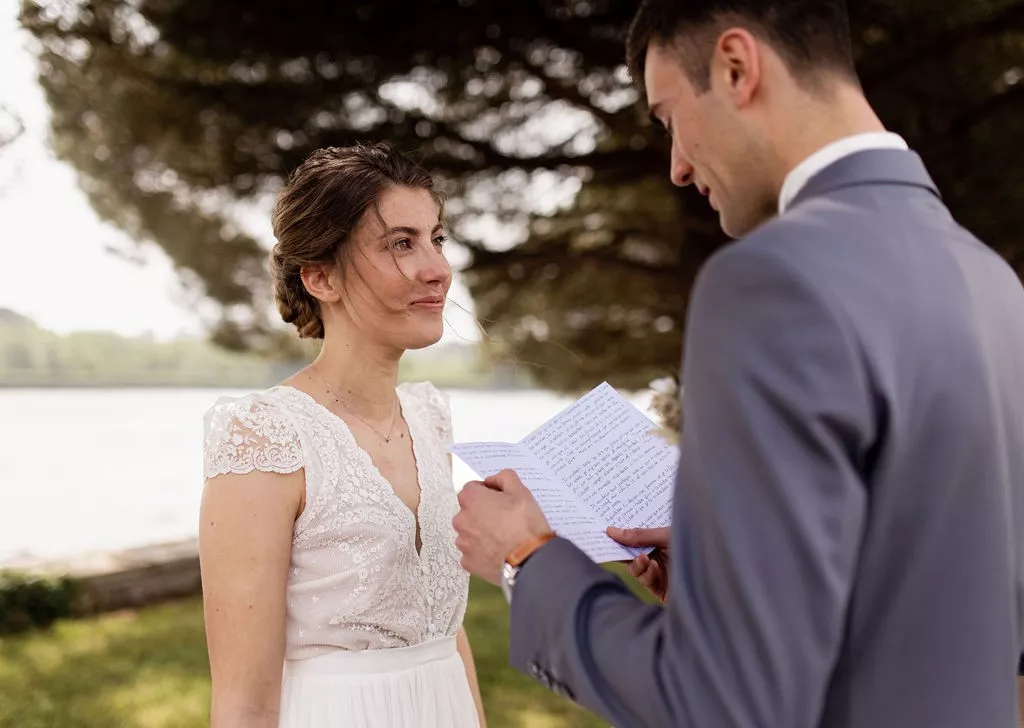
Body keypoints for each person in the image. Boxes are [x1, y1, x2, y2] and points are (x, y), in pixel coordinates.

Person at [452, 1, 1024, 726]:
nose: (678, 166)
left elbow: (723, 701)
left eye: (668, 119)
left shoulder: (772, 278)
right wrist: (736, 580)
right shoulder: (989, 279)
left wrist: (527, 561)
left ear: (735, 66)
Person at [199, 142, 485, 728]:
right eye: (401, 243)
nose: (437, 268)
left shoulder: (429, 417)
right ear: (320, 276)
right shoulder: (265, 437)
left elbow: (449, 633)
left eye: (436, 238)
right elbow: (243, 704)